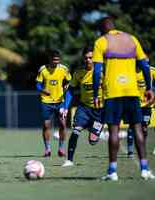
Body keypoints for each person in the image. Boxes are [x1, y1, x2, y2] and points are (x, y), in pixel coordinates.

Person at [92, 16, 155, 180]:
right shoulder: (132, 39)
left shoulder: (101, 41)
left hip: (113, 92)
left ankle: (112, 172)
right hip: (132, 91)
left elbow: (97, 71)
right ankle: (145, 169)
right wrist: (149, 87)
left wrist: (96, 93)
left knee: (114, 130)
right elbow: (145, 66)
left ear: (102, 29)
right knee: (137, 128)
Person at [61, 46, 104, 167]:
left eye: (91, 58)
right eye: (86, 58)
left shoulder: (103, 71)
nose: (88, 60)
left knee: (93, 141)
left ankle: (94, 126)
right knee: (76, 131)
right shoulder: (78, 73)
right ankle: (69, 160)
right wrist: (65, 107)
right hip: (84, 108)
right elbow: (70, 90)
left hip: (100, 111)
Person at [36, 50, 71, 158]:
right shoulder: (43, 70)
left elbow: (69, 81)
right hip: (46, 101)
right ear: (50, 59)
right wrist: (42, 90)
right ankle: (47, 149)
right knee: (46, 125)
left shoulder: (64, 69)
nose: (56, 62)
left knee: (63, 123)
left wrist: (67, 87)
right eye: (54, 59)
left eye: (58, 60)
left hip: (60, 101)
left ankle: (61, 148)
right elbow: (37, 85)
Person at [127, 63, 155, 158]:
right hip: (134, 104)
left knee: (144, 128)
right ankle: (130, 149)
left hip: (147, 105)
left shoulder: (151, 71)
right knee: (132, 127)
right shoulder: (129, 71)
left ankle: (142, 147)